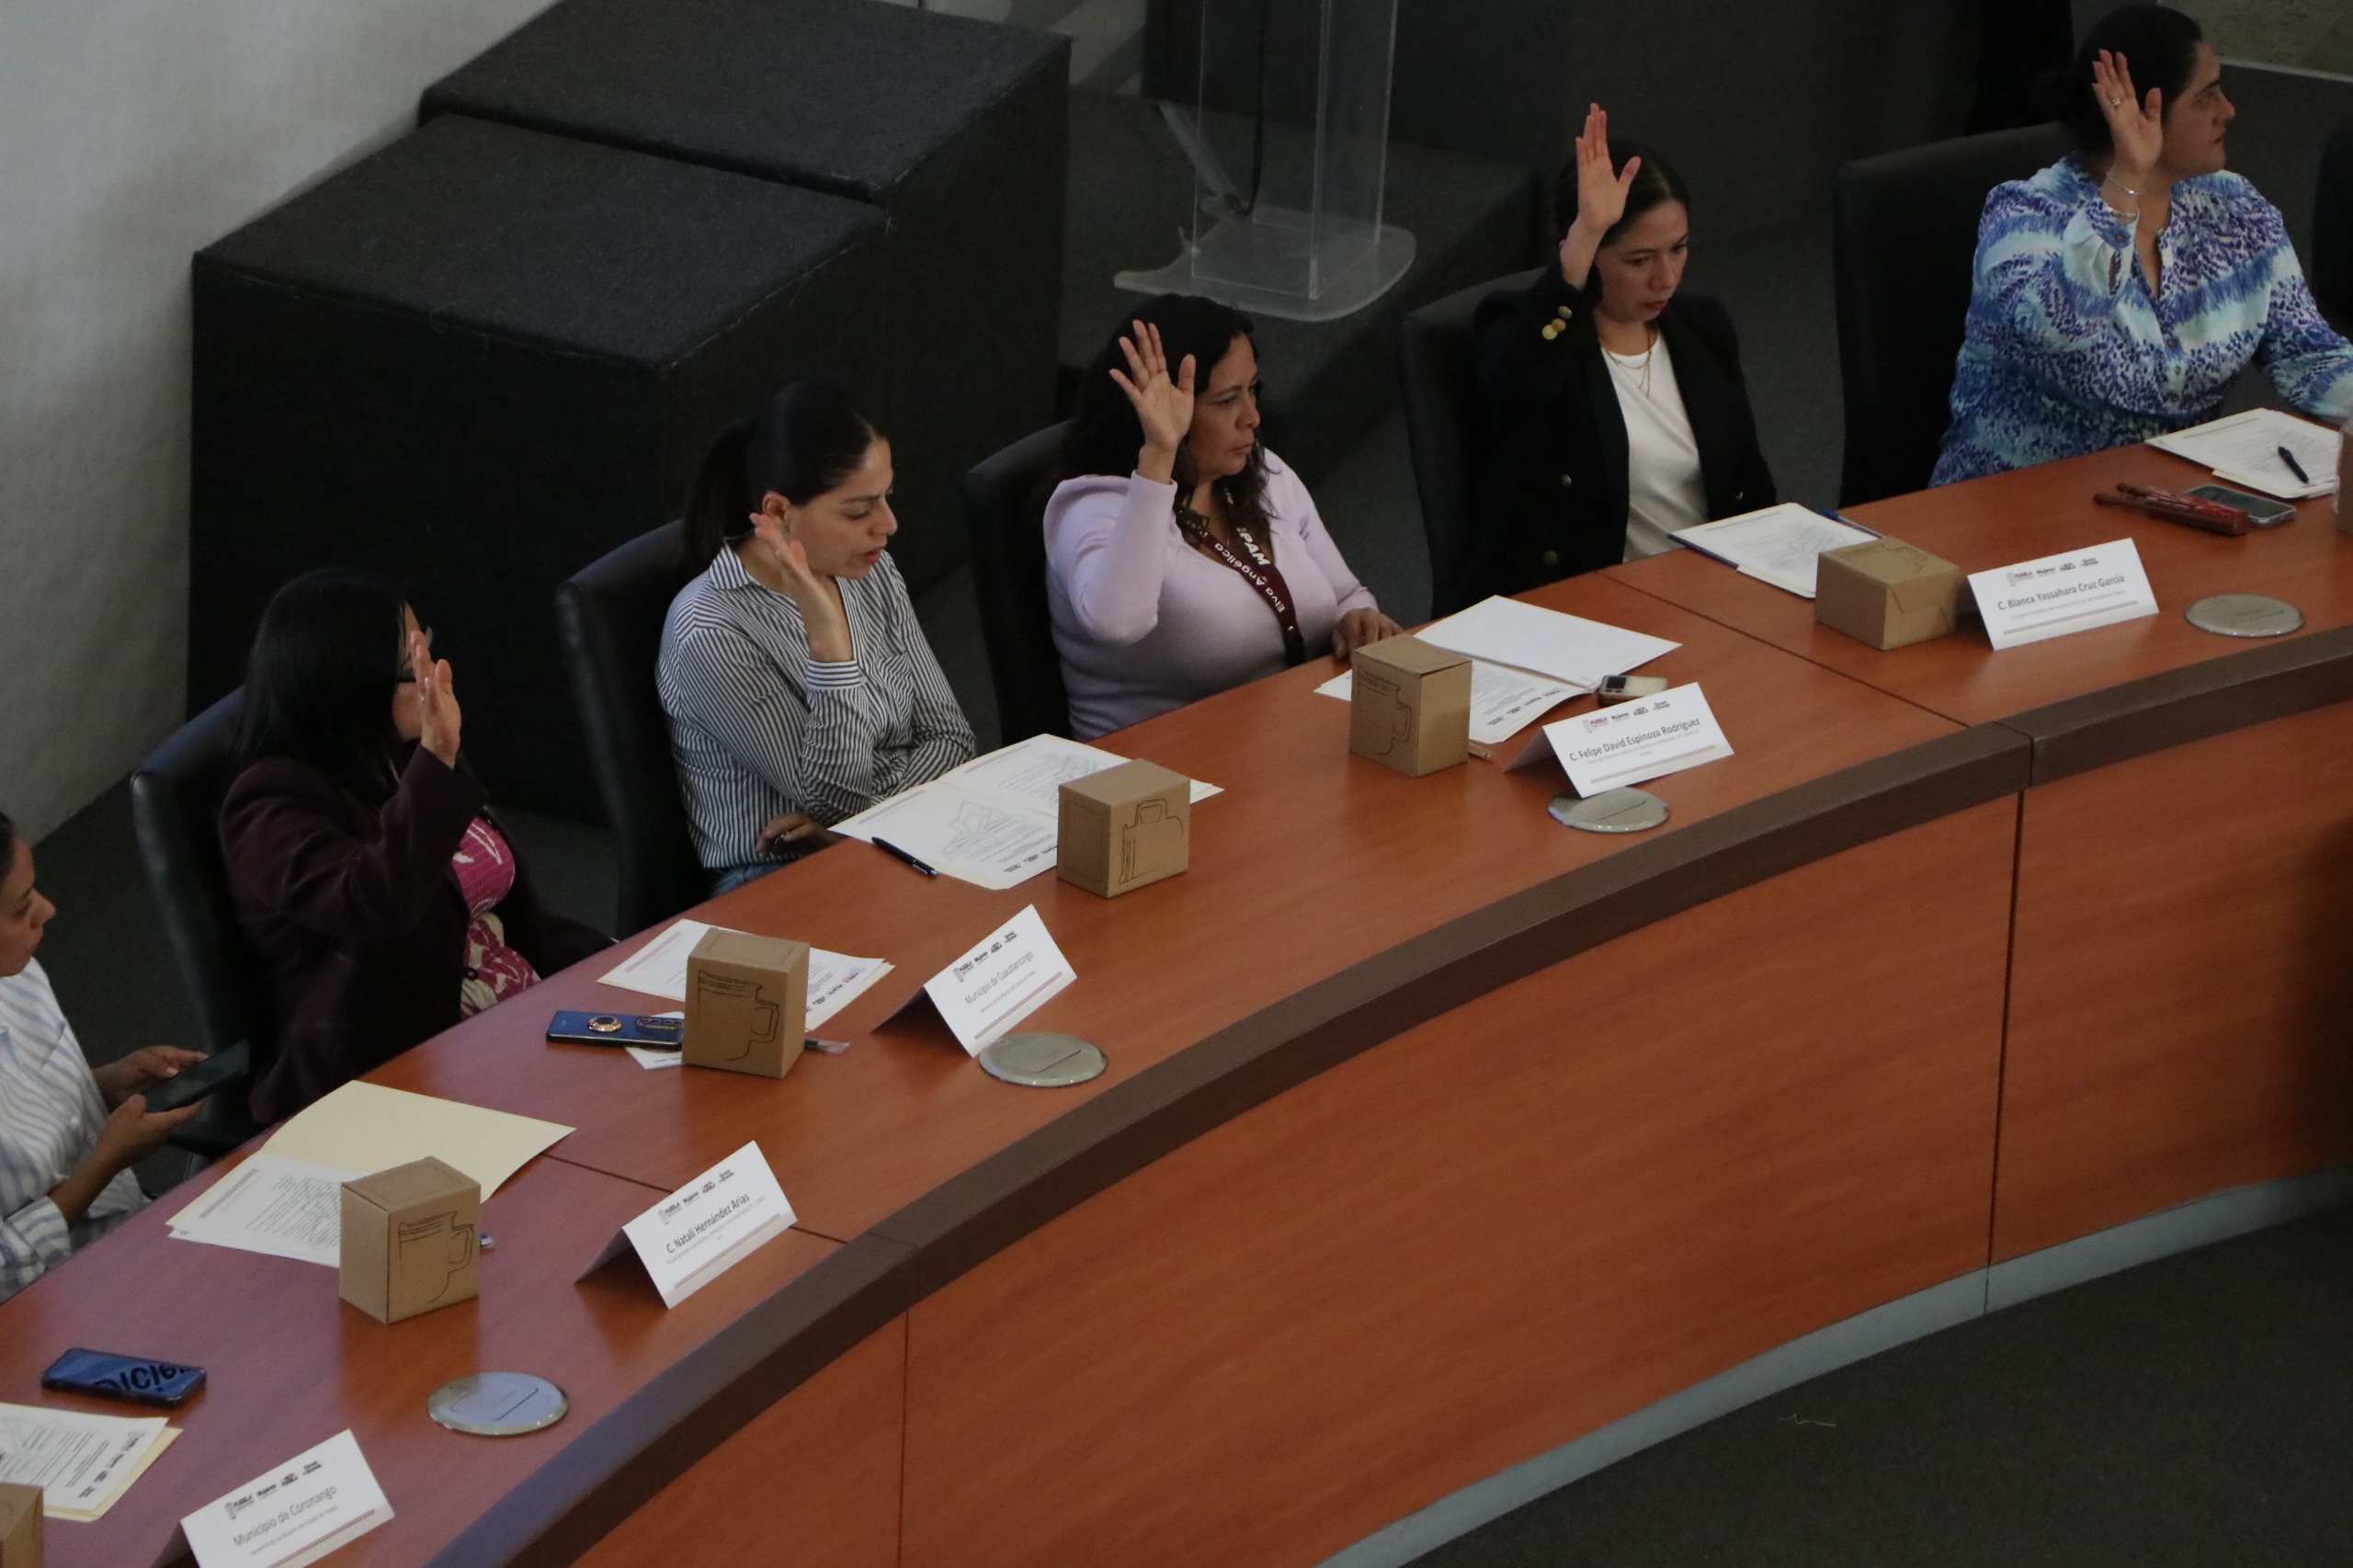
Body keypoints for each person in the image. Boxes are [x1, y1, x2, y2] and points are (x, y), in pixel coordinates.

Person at [221, 571, 608, 1122]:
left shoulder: (401, 756)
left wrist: (619, 960)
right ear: (351, 682)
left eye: (426, 648)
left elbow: (517, 915)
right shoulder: (268, 804)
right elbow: (379, 901)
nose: (433, 676)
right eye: (412, 664)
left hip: (518, 1016)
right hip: (400, 1068)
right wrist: (438, 759)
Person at [1934, 5, 2353, 484]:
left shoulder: (2236, 209)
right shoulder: (2025, 217)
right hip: (2014, 504)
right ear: (2141, 112)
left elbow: (2310, 356)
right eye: (2206, 97)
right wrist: (2128, 177)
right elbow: (2058, 328)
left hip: (2168, 503)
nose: (2228, 110)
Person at [660, 382, 975, 893]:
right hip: (776, 878)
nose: (888, 525)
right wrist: (830, 650)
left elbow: (952, 738)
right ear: (780, 512)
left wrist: (857, 827)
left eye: (887, 498)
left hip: (897, 838)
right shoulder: (710, 631)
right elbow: (836, 801)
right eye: (859, 511)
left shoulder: (869, 570)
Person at [1048, 295, 1402, 739]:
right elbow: (1118, 624)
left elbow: (1347, 595)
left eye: (1253, 390)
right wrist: (1159, 455)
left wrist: (1358, 620)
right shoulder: (1093, 508)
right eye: (1227, 400)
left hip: (1285, 737)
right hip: (1159, 769)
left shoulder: (1260, 472)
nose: (1252, 417)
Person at [1469, 107, 1776, 604]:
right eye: (1639, 260)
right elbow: (1516, 392)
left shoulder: (1703, 327)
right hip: (1593, 608)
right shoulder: (1527, 330)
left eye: (1678, 249)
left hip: (1711, 591)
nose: (1666, 278)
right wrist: (1583, 240)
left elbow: (1750, 485)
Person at [1, 809, 207, 1302]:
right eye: (21, 909)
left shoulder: (18, 974)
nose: (48, 910)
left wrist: (104, 1084)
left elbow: (23, 1112)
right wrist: (104, 1164)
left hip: (134, 1229)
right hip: (48, 1307)